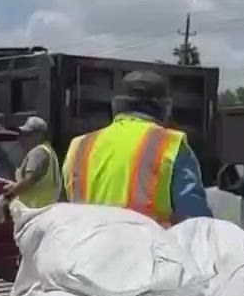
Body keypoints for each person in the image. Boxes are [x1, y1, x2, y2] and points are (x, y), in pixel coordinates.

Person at [59, 70, 211, 224]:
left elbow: (63, 211)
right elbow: (195, 221)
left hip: (84, 245)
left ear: (115, 104)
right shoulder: (170, 144)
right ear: (166, 107)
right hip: (148, 246)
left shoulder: (79, 146)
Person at [0, 115, 59, 209]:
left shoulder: (38, 152)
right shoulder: (48, 150)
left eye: (28, 134)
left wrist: (7, 196)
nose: (22, 138)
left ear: (40, 135)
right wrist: (15, 185)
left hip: (35, 210)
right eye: (22, 134)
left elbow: (29, 181)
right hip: (46, 208)